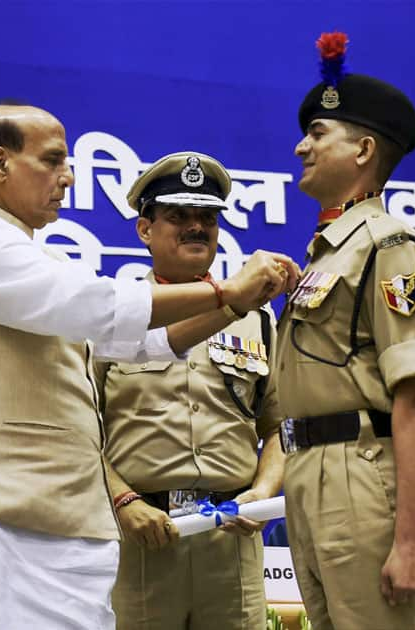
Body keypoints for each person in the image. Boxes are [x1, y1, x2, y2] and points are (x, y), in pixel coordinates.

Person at [0, 105, 297, 630]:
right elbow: (96, 307)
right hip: (0, 513)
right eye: (52, 161)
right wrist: (226, 290)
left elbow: (141, 344)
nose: (68, 177)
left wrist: (234, 307)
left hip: (51, 516)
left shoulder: (34, 256)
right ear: (0, 163)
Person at [275, 33, 415, 630]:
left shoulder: (389, 248)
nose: (301, 146)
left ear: (364, 149)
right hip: (311, 475)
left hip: (362, 478)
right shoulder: (328, 254)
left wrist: (408, 543)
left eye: (319, 134)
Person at [96, 151, 288, 629]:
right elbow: (77, 432)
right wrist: (123, 501)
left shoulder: (258, 319)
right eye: (178, 217)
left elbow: (284, 427)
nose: (195, 227)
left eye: (206, 217)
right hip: (143, 538)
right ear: (145, 230)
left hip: (231, 539)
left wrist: (263, 492)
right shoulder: (110, 319)